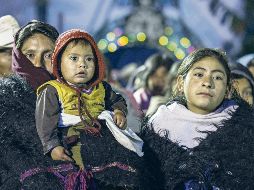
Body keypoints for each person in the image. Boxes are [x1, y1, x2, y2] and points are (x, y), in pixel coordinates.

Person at [36, 29, 156, 189]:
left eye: (89, 59)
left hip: (104, 143)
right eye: (73, 58)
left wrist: (119, 111)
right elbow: (45, 121)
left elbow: (117, 100)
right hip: (73, 144)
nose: (82, 64)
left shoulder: (101, 87)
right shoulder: (52, 90)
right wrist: (52, 146)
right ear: (58, 62)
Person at [148, 48, 254, 189]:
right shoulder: (156, 127)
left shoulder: (246, 129)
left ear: (228, 89)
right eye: (199, 74)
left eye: (217, 77)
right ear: (180, 83)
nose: (207, 82)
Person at [0, 21, 64, 190]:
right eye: (30, 55)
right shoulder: (5, 102)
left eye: (48, 55)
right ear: (17, 57)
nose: (37, 64)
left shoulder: (78, 97)